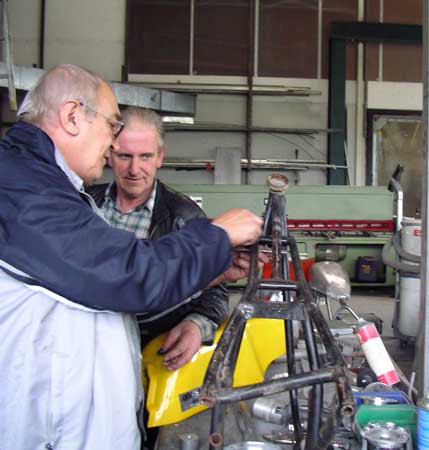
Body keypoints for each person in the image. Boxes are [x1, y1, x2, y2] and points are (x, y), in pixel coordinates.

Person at [0, 64, 263, 450]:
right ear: (73, 116)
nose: (113, 148)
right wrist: (217, 235)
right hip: (41, 426)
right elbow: (126, 274)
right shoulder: (29, 192)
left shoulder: (47, 187)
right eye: (111, 126)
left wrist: (209, 276)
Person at [88, 107, 228, 371]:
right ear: (109, 154)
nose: (134, 168)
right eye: (125, 156)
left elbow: (216, 289)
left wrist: (197, 324)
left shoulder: (185, 216)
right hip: (83, 350)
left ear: (160, 157)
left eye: (145, 156)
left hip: (148, 356)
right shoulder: (83, 203)